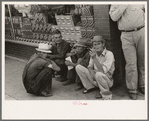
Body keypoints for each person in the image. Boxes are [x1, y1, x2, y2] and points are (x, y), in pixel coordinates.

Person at [109, 5, 145, 100]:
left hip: (141, 31)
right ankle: (132, 89)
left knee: (143, 61)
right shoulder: (116, 3)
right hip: (126, 35)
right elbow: (113, 17)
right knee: (131, 63)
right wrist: (123, 5)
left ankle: (143, 84)